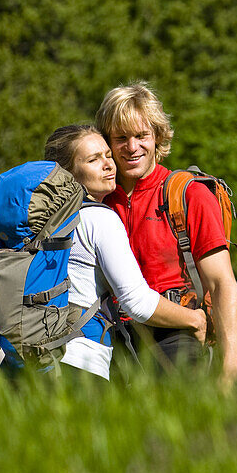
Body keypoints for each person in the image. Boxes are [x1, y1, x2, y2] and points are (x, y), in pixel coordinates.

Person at [95, 82, 237, 388]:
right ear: (107, 143)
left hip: (177, 336)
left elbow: (221, 282)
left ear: (158, 136)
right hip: (113, 341)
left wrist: (231, 369)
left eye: (141, 136)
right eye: (120, 138)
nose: (132, 147)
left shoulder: (188, 195)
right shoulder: (98, 201)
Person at [43, 124, 207, 382]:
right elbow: (137, 303)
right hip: (80, 360)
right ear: (68, 173)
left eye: (108, 155)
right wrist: (195, 319)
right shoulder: (98, 218)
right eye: (93, 159)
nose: (108, 165)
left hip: (33, 359)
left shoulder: (41, 221)